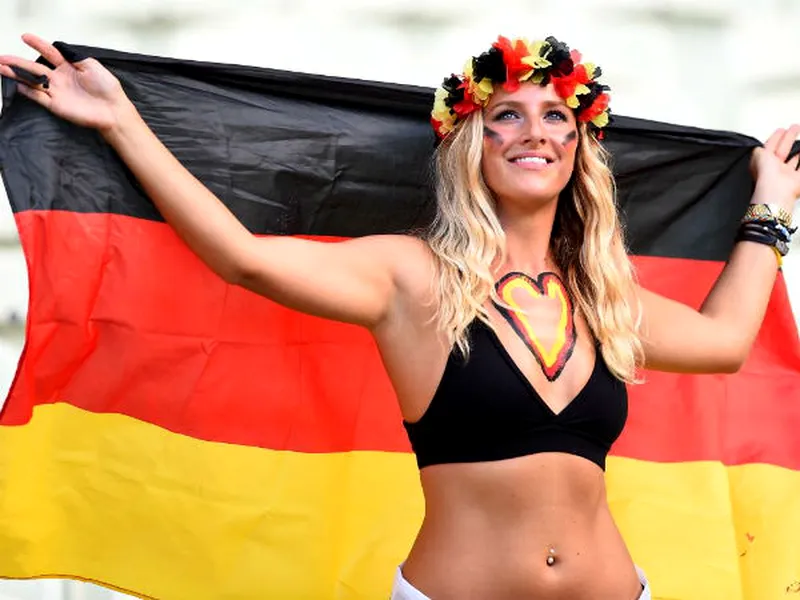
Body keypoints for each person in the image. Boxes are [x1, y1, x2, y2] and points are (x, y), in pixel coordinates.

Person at [1, 33, 798, 600]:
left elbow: (727, 341)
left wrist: (770, 204)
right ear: (470, 141)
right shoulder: (412, 277)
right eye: (507, 115)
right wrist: (120, 121)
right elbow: (245, 258)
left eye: (557, 116)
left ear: (580, 149)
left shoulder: (602, 295)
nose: (535, 132)